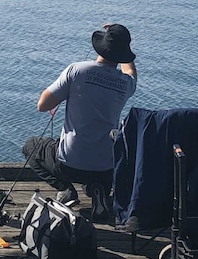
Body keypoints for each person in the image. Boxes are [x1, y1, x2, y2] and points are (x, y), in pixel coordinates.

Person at [22, 24, 137, 221]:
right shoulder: (126, 84)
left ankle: (66, 189)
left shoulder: (77, 70)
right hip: (106, 169)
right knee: (98, 168)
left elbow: (42, 105)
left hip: (70, 164)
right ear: (123, 54)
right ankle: (97, 190)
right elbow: (130, 71)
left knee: (30, 146)